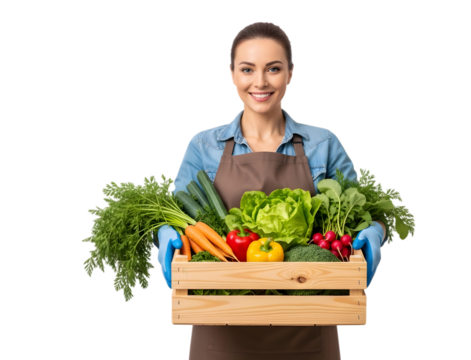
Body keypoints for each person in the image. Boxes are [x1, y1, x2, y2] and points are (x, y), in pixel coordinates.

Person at [158, 20, 387, 360]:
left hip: (309, 326)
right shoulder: (203, 144)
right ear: (232, 73)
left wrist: (373, 233)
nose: (260, 82)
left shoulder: (322, 143)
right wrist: (165, 238)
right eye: (248, 69)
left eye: (273, 69)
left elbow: (365, 211)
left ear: (291, 73)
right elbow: (174, 214)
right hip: (219, 328)